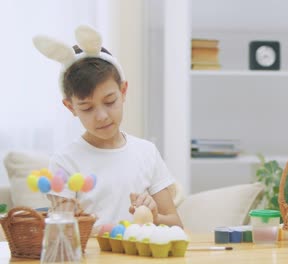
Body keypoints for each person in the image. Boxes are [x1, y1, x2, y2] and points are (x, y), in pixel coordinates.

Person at [33, 25, 183, 229]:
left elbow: (176, 225)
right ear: (70, 107)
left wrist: (154, 216)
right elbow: (63, 234)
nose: (102, 116)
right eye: (87, 108)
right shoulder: (65, 162)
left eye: (110, 101)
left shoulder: (146, 152)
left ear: (123, 92)